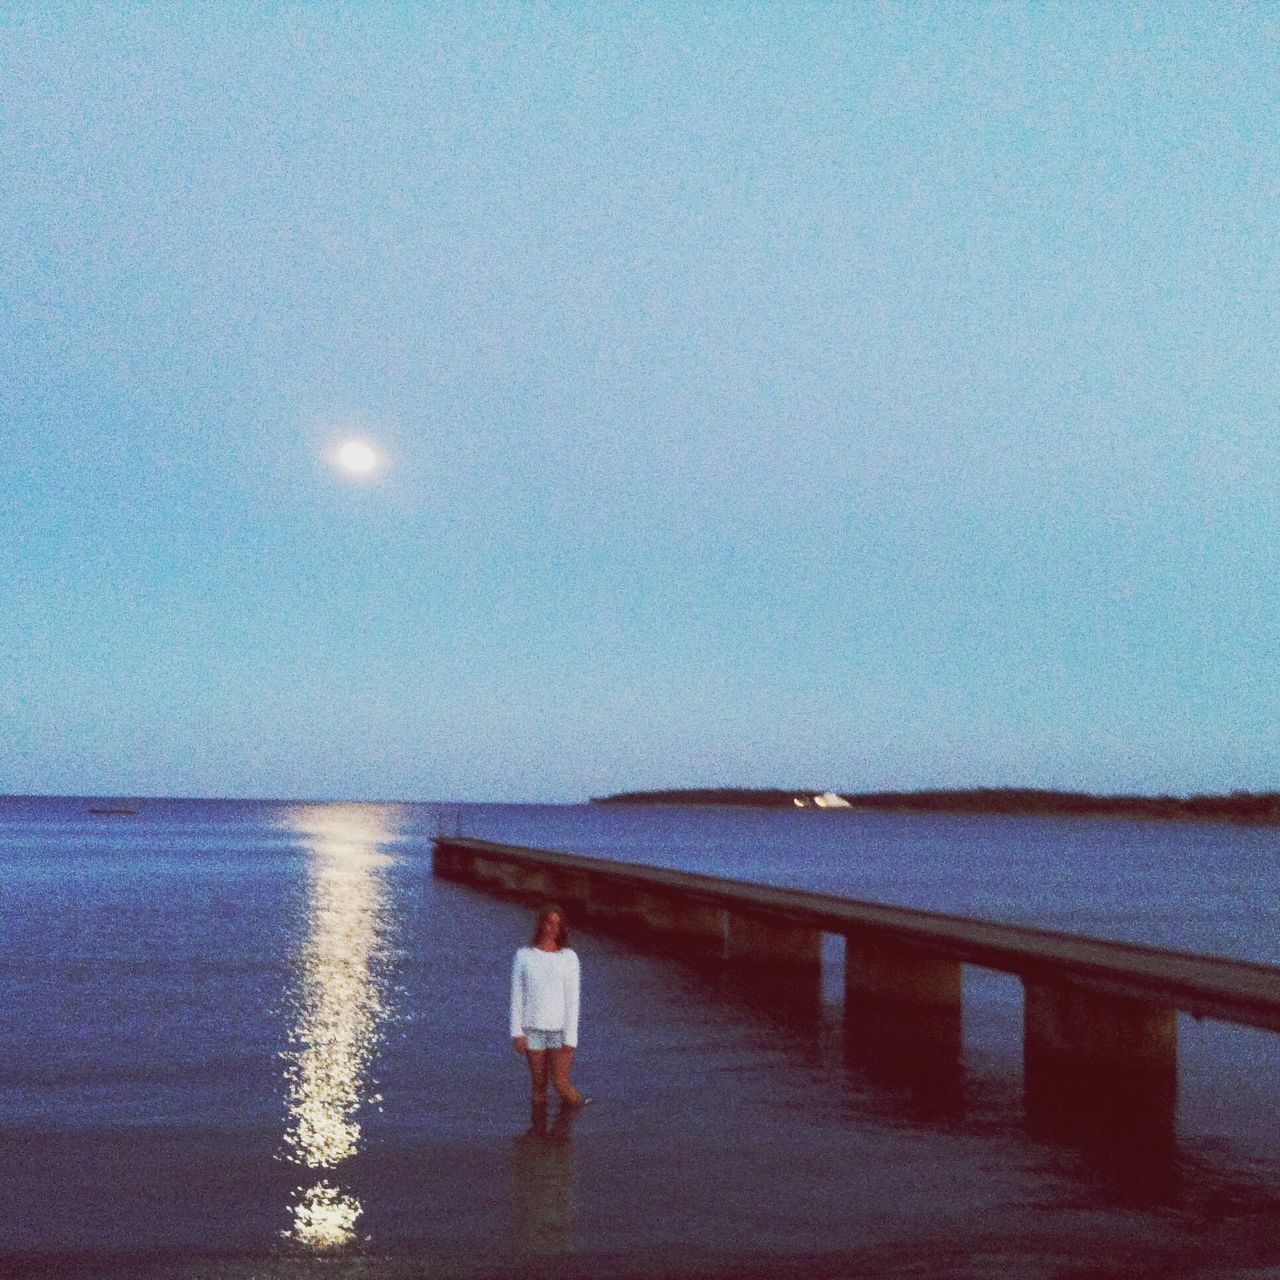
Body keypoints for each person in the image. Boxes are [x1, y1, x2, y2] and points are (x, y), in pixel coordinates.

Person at [510, 904, 589, 1107]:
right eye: (549, 922)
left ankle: (581, 1110)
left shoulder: (569, 958)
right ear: (541, 924)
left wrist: (571, 1036)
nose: (553, 927)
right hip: (532, 1030)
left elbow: (573, 1000)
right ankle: (538, 1134)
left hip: (559, 1032)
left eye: (558, 923)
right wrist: (516, 1032)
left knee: (561, 1085)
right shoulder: (524, 956)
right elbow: (517, 996)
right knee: (538, 1086)